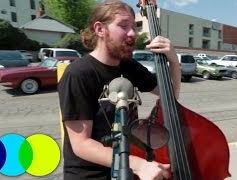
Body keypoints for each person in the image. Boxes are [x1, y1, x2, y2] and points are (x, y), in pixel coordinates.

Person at [58, 1, 181, 179]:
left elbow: (170, 97)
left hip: (128, 166)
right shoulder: (78, 74)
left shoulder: (128, 66)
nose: (132, 33)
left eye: (134, 26)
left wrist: (174, 62)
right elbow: (81, 144)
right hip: (93, 175)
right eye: (124, 26)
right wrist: (139, 165)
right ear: (100, 29)